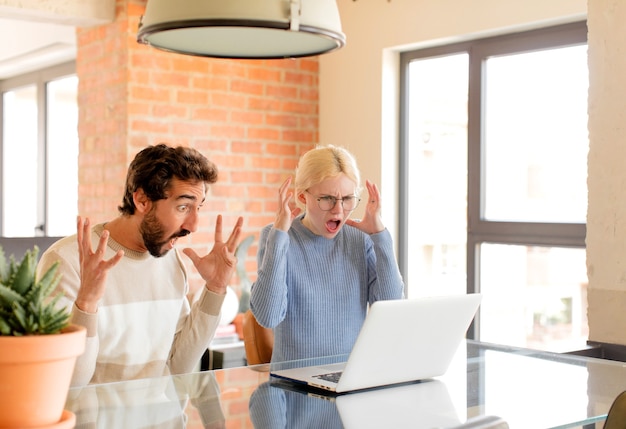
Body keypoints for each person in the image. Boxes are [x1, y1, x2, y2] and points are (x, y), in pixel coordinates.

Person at [36, 143, 243, 386]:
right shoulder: (67, 261)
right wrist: (87, 304)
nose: (194, 225)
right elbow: (70, 385)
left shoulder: (171, 261)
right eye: (183, 207)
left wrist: (215, 289)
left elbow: (179, 367)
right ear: (142, 200)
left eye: (198, 207)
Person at [249, 144, 404, 363]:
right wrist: (279, 236)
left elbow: (392, 311)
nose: (338, 210)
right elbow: (268, 316)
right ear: (303, 197)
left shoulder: (361, 238)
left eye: (348, 198)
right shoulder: (277, 236)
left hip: (350, 382)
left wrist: (380, 236)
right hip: (293, 387)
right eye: (327, 198)